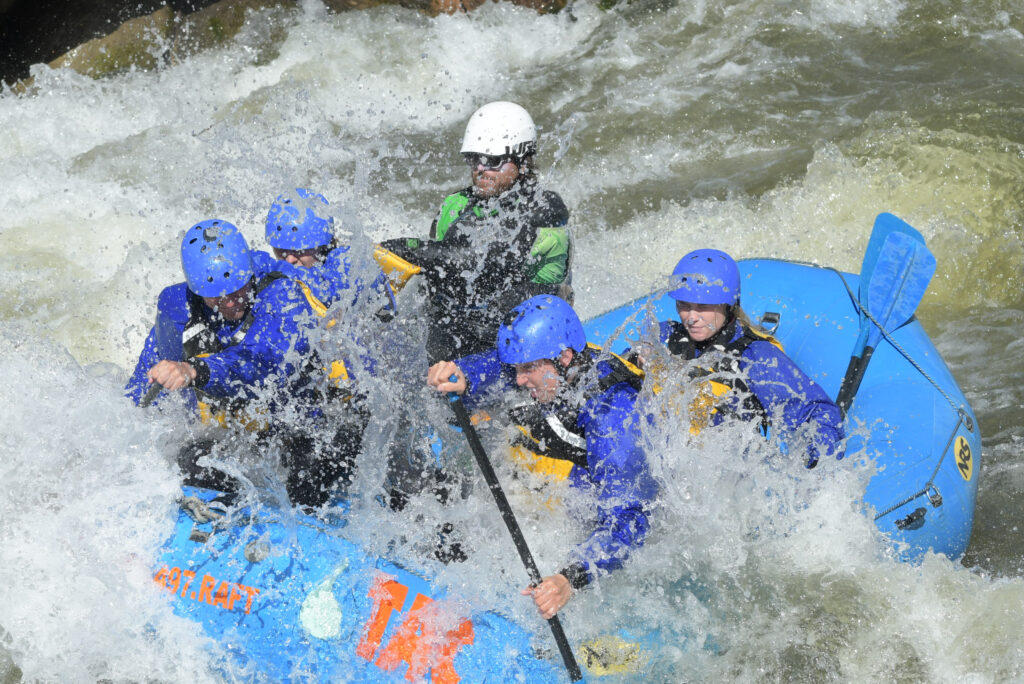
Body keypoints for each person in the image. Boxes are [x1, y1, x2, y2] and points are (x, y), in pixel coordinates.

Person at [427, 295, 657, 618]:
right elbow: (499, 367)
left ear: (564, 358)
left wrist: (570, 579)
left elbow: (629, 521)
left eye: (527, 370)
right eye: (518, 368)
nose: (519, 379)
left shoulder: (613, 415)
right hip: (564, 470)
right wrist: (463, 375)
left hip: (618, 504)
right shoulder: (548, 366)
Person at [125, 219, 353, 507]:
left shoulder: (281, 293)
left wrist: (195, 370)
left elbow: (262, 362)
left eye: (237, 290)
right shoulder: (177, 305)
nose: (231, 302)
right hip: (251, 423)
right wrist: (131, 439)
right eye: (217, 296)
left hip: (312, 417)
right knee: (188, 459)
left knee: (308, 475)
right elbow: (150, 384)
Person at [381, 101, 573, 363]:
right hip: (452, 338)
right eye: (474, 159)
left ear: (522, 163)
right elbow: (435, 280)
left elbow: (478, 264)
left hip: (521, 347)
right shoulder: (455, 205)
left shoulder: (545, 213)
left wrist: (408, 249)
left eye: (492, 161)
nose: (481, 168)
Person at [651, 248, 844, 467]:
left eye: (703, 307)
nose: (691, 318)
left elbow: (817, 411)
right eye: (684, 305)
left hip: (726, 472)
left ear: (728, 306)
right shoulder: (665, 336)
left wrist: (816, 459)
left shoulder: (755, 357)